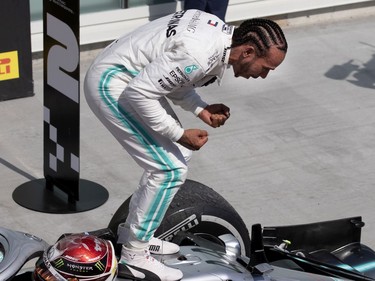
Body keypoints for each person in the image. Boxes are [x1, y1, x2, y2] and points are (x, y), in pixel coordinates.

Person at [84, 9, 287, 281]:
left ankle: (132, 234)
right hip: (114, 83)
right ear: (248, 52)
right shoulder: (199, 54)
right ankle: (134, 255)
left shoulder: (215, 35)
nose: (264, 76)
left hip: (127, 77)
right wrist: (179, 133)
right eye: (266, 68)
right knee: (168, 170)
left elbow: (172, 77)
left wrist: (201, 109)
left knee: (176, 157)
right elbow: (140, 92)